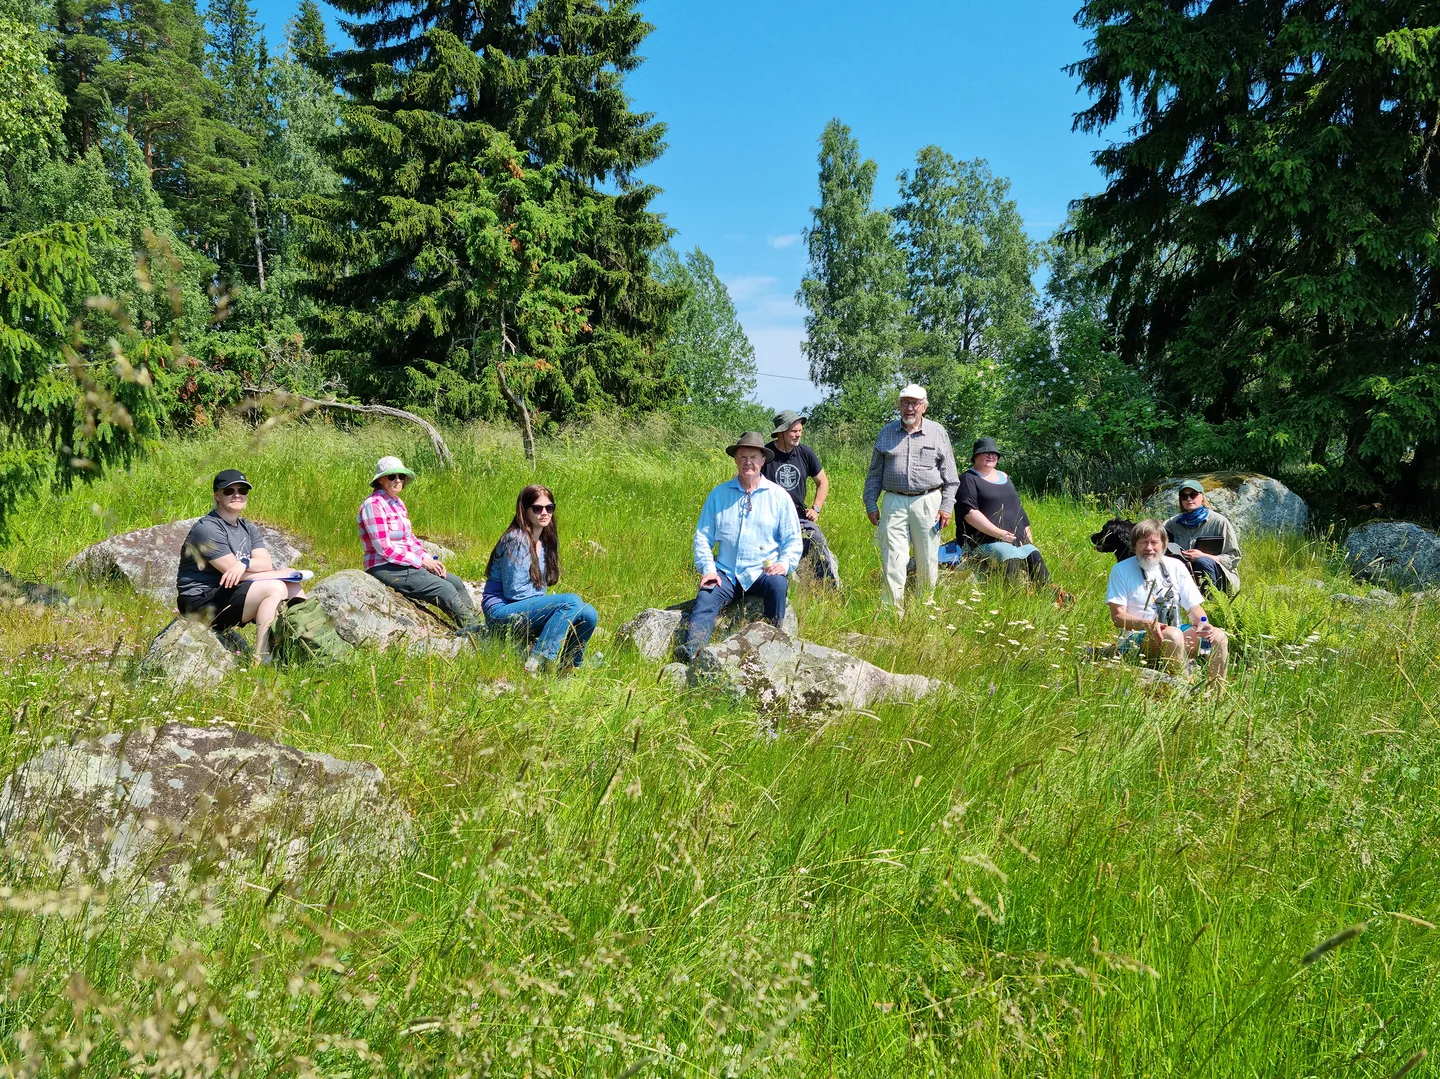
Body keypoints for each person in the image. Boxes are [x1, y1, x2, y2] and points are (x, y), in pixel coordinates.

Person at [673, 432, 803, 663]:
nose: (748, 463)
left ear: (763, 460)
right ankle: (691, 653)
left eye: (753, 457)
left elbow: (793, 540)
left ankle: (773, 649)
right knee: (706, 595)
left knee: (778, 584)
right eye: (743, 457)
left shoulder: (779, 496)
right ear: (735, 459)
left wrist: (784, 564)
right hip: (726, 572)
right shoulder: (719, 494)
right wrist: (708, 569)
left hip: (762, 572)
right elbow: (703, 537)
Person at [176, 469, 306, 661]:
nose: (237, 494)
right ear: (217, 495)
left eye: (242, 490)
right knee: (276, 586)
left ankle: (304, 647)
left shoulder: (247, 527)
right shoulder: (208, 528)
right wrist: (278, 574)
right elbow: (235, 575)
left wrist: (243, 563)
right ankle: (261, 659)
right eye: (229, 491)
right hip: (199, 601)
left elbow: (264, 563)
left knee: (293, 586)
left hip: (227, 592)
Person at [358, 455, 483, 636]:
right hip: (384, 566)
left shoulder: (397, 503)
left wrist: (426, 557)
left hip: (406, 563)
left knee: (455, 582)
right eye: (392, 476)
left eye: (401, 476)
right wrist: (421, 562)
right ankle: (477, 634)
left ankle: (477, 624)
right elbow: (384, 548)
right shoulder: (373, 504)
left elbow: (410, 538)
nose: (398, 480)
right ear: (381, 480)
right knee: (444, 589)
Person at [862, 384, 959, 613]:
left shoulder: (937, 432)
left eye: (915, 403)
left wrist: (946, 507)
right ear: (899, 405)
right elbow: (874, 473)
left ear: (924, 407)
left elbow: (952, 478)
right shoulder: (886, 432)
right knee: (893, 557)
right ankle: (891, 612)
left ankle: (925, 608)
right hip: (893, 501)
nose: (909, 408)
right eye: (905, 403)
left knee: (927, 559)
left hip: (928, 502)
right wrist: (870, 503)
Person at [482, 485, 598, 674]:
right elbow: (514, 592)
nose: (544, 513)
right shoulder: (517, 539)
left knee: (589, 614)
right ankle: (537, 661)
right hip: (501, 613)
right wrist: (551, 606)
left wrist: (548, 607)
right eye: (537, 508)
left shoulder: (546, 541)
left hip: (524, 613)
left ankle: (566, 670)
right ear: (524, 510)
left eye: (549, 508)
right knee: (571, 602)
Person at [1106, 518, 1229, 685]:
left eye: (1154, 542)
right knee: (1173, 635)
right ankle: (1185, 691)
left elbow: (1194, 608)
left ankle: (1216, 698)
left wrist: (1204, 623)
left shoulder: (1176, 566)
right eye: (1143, 543)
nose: (1149, 548)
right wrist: (1146, 625)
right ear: (1134, 545)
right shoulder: (1121, 570)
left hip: (1175, 631)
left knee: (1219, 637)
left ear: (1164, 545)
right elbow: (1117, 617)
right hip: (1137, 638)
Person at [956, 437, 1053, 585]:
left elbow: (1018, 509)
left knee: (1035, 556)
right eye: (985, 452)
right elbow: (969, 513)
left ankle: (1052, 597)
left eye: (994, 453)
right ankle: (1013, 598)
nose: (990, 456)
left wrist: (1028, 538)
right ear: (975, 456)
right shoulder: (968, 479)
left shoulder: (1005, 477)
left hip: (1017, 540)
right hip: (986, 541)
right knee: (1010, 555)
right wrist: (998, 533)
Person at [763, 408, 839, 586]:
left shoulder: (805, 453)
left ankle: (827, 587)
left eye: (800, 431)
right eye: (794, 431)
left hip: (798, 517)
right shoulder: (765, 454)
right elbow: (745, 480)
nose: (798, 435)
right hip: (769, 517)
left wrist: (816, 508)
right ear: (781, 432)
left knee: (817, 538)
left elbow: (823, 482)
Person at [1163, 480, 1242, 596]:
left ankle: (1212, 602)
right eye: (1184, 496)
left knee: (1203, 561)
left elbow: (1234, 557)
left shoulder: (1219, 522)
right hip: (1186, 575)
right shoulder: (1173, 523)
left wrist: (1204, 556)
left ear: (1202, 497)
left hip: (1220, 577)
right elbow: (1153, 533)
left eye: (1193, 495)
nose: (1189, 499)